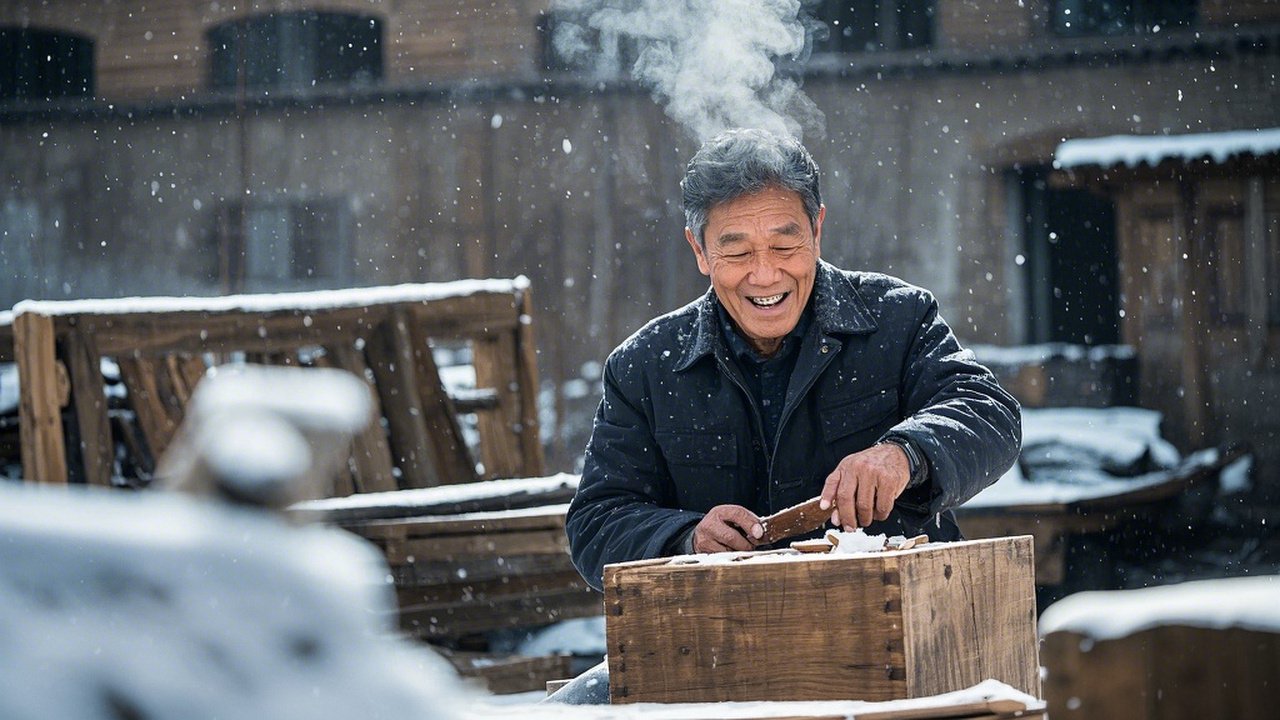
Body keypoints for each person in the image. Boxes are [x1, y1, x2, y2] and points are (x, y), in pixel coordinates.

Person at [565, 126, 1021, 593]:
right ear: (699, 250)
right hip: (720, 626)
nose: (765, 274)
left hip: (895, 611)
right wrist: (685, 537)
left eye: (784, 246)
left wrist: (905, 454)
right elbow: (597, 523)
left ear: (817, 230)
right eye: (737, 251)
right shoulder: (644, 366)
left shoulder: (897, 318)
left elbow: (990, 414)